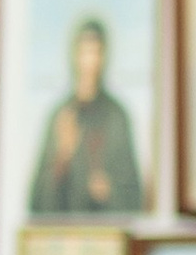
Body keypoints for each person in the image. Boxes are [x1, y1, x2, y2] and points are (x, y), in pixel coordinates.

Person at [27, 20, 145, 216]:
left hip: (105, 232)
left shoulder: (117, 116)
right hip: (64, 233)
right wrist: (62, 157)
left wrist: (109, 191)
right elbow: (36, 202)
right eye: (84, 52)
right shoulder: (61, 115)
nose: (90, 62)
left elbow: (134, 196)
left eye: (96, 52)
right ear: (74, 55)